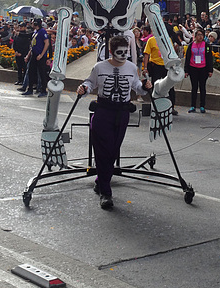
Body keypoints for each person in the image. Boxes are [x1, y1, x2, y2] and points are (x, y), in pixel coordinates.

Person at [76, 36, 152, 209]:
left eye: (126, 52)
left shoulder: (132, 67)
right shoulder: (100, 67)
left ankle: (101, 180)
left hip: (121, 113)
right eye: (120, 52)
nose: (123, 55)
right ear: (111, 52)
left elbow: (137, 87)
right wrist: (84, 88)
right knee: (102, 151)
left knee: (112, 151)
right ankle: (106, 192)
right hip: (103, 112)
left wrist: (146, 86)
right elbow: (90, 82)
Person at [143, 34, 178, 116]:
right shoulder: (151, 40)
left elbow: (171, 52)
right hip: (155, 66)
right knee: (155, 86)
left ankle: (171, 107)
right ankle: (155, 106)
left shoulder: (168, 39)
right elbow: (146, 54)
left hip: (166, 66)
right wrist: (145, 67)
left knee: (170, 86)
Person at [184, 28, 213, 113]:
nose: (200, 37)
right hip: (193, 68)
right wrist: (186, 70)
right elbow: (187, 58)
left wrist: (210, 70)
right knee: (194, 87)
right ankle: (193, 105)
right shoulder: (191, 45)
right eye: (198, 35)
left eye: (202, 35)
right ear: (195, 36)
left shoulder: (206, 46)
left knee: (202, 87)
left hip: (203, 68)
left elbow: (209, 58)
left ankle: (202, 105)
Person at [22, 19, 49, 98]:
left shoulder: (42, 32)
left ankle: (43, 90)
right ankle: (30, 89)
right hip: (34, 54)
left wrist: (42, 54)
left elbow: (46, 43)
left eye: (33, 23)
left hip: (40, 55)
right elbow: (32, 45)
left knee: (42, 73)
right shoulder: (35, 32)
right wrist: (28, 55)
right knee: (31, 72)